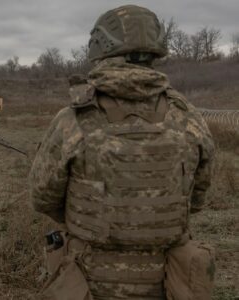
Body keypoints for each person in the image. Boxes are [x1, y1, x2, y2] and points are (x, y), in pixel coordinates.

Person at [29, 5, 215, 299]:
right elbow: (198, 197)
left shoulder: (72, 119)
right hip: (168, 281)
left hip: (90, 279)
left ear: (100, 50)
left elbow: (43, 197)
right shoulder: (188, 117)